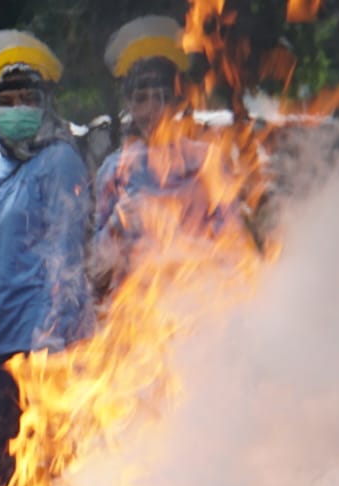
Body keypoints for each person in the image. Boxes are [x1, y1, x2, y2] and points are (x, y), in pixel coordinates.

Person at [0, 31, 91, 486]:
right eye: (6, 102)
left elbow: (67, 253)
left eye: (26, 100)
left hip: (42, 340)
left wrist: (52, 331)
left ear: (45, 104)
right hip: (0, 336)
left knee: (47, 454)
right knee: (6, 447)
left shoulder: (59, 161)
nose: (16, 109)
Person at [90, 16, 232, 300]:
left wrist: (188, 249)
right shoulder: (114, 170)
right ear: (129, 104)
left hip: (195, 307)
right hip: (132, 312)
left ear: (178, 102)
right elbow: (96, 269)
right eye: (141, 98)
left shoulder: (207, 162)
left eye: (162, 97)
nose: (152, 110)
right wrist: (116, 226)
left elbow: (234, 247)